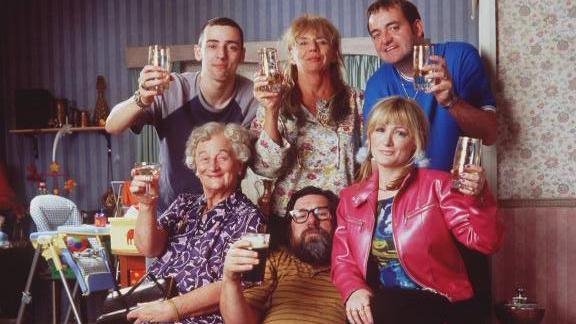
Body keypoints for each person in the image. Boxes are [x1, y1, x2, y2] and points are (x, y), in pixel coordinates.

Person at [331, 97, 504, 324]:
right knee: (360, 314)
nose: (387, 141)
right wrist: (354, 290)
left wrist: (478, 197)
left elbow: (486, 241)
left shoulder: (438, 185)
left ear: (415, 142)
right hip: (387, 308)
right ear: (370, 138)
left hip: (439, 302)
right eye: (380, 130)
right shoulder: (351, 198)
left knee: (384, 307)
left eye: (400, 133)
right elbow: (343, 260)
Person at [106, 17, 258, 213]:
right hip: (169, 213)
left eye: (232, 47)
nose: (221, 55)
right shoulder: (171, 88)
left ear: (242, 54)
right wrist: (142, 97)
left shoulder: (251, 97)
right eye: (212, 46)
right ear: (198, 52)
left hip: (223, 216)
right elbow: (112, 125)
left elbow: (263, 162)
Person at [126, 122, 266, 324]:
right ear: (196, 168)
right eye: (204, 159)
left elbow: (242, 286)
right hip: (149, 306)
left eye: (222, 157)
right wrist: (147, 206)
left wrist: (172, 308)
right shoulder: (184, 203)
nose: (213, 166)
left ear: (240, 165)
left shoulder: (255, 219)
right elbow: (148, 248)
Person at [363, 0, 497, 171]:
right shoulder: (377, 83)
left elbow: (490, 135)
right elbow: (374, 159)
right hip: (403, 192)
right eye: (376, 34)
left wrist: (451, 102)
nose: (385, 39)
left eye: (393, 28)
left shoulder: (460, 57)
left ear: (417, 28)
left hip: (453, 191)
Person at [251, 14, 361, 218]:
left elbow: (375, 161)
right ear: (291, 54)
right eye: (303, 42)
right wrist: (272, 110)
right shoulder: (275, 103)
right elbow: (265, 168)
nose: (313, 48)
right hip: (290, 220)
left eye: (321, 41)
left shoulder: (357, 101)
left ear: (335, 52)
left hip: (344, 218)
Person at [220, 186, 346, 324]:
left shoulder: (353, 268)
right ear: (290, 229)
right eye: (300, 215)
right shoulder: (276, 259)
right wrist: (231, 280)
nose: (312, 221)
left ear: (336, 223)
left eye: (322, 213)